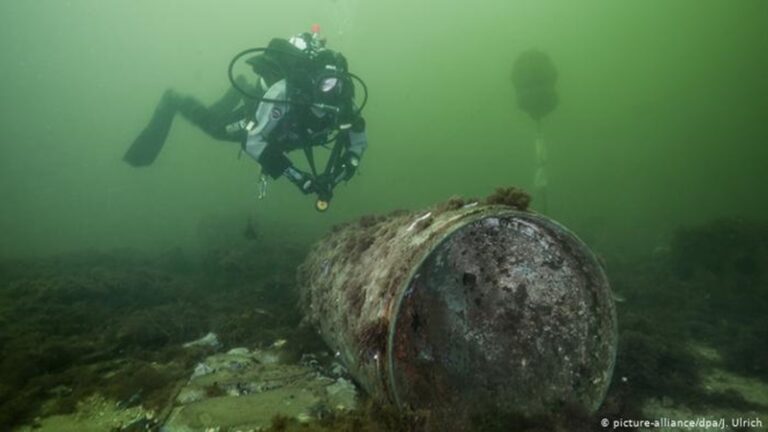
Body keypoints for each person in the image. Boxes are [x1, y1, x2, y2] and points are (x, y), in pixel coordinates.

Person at [123, 27, 368, 211]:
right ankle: (174, 100)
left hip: (287, 136)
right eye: (325, 83)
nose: (331, 91)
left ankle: (238, 87)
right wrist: (297, 177)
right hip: (266, 122)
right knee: (216, 128)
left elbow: (357, 144)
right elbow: (253, 141)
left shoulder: (344, 104)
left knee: (219, 120)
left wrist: (337, 175)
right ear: (311, 82)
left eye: (338, 85)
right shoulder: (284, 93)